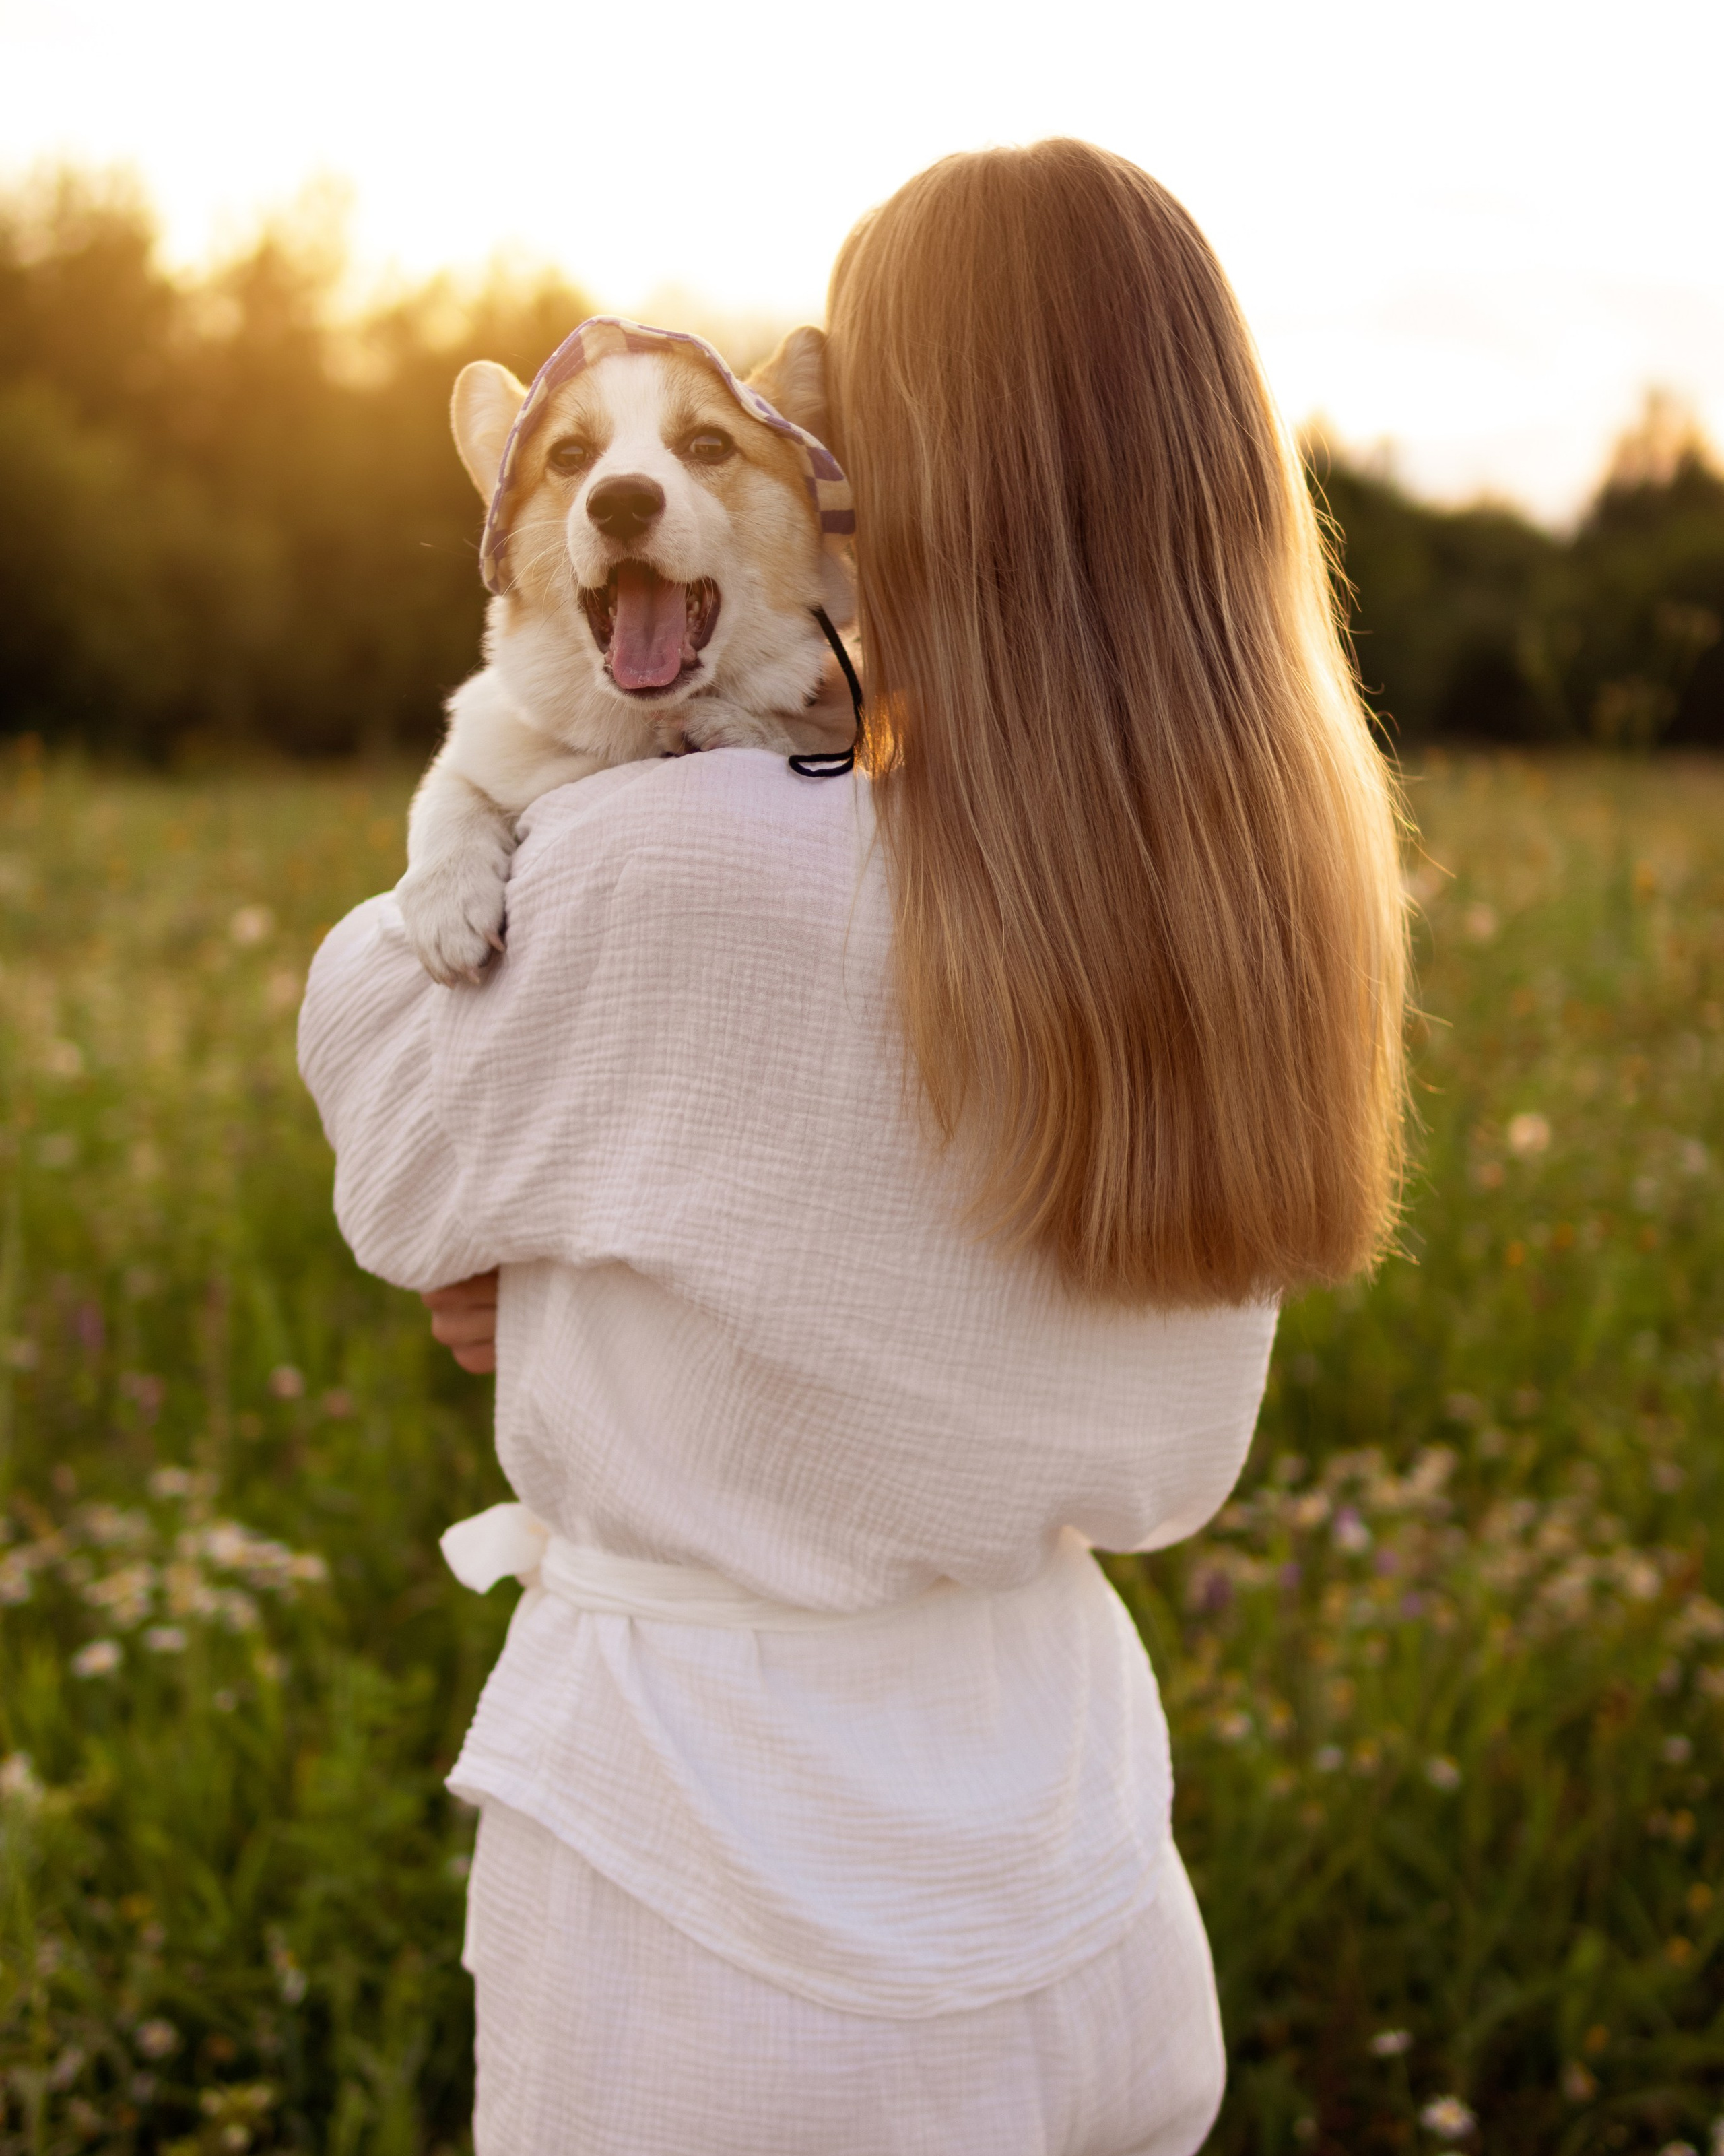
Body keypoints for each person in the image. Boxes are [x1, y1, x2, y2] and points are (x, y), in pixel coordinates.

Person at [300, 139, 1406, 2156]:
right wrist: (584, 1268)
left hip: (734, 1922)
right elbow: (1095, 1416)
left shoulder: (674, 860)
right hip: (1081, 1893)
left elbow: (392, 1131)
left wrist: (542, 1263)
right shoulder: (1250, 911)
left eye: (827, 417)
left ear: (884, 475)